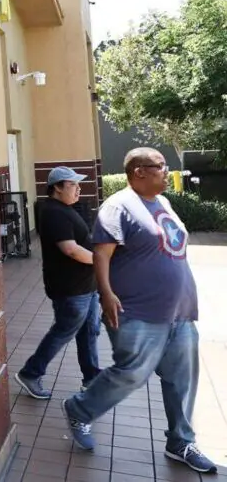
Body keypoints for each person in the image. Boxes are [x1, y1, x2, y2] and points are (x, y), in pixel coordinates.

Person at [61, 148, 217, 474]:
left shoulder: (164, 203)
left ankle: (181, 442)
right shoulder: (118, 206)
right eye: (159, 166)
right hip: (136, 310)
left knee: (182, 379)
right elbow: (101, 255)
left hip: (179, 311)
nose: (166, 170)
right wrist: (105, 295)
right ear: (138, 172)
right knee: (132, 372)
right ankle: (79, 408)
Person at [15, 166, 101, 399]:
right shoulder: (54, 212)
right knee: (63, 331)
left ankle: (92, 379)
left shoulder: (65, 209)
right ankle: (31, 373)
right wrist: (100, 261)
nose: (78, 189)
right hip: (71, 289)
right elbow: (71, 250)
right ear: (57, 188)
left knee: (89, 332)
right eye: (72, 185)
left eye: (78, 184)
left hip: (87, 286)